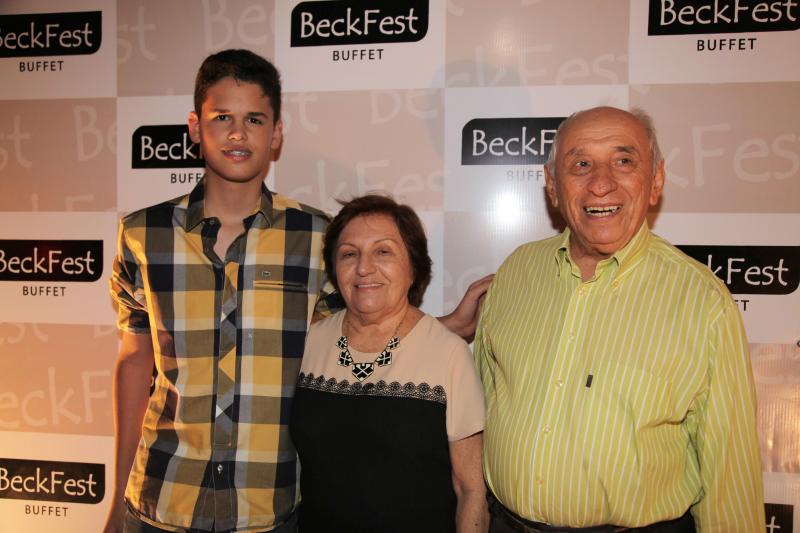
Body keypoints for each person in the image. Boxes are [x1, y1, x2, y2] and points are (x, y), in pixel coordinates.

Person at [104, 49, 490, 533]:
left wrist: (445, 329)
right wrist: (116, 499)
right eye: (222, 117)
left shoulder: (316, 236)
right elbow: (135, 363)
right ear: (195, 127)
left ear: (276, 134)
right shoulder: (143, 235)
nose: (238, 133)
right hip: (161, 499)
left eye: (254, 119)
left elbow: (358, 330)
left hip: (268, 510)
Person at [474, 106, 764, 532]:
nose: (601, 183)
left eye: (624, 161)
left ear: (656, 180)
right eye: (580, 164)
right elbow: (483, 403)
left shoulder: (702, 300)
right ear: (552, 185)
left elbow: (729, 467)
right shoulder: (516, 271)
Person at [290, 195, 488, 533]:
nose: (364, 268)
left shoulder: (448, 354)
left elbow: (471, 491)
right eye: (349, 254)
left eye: (383, 252)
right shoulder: (307, 343)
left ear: (413, 266)